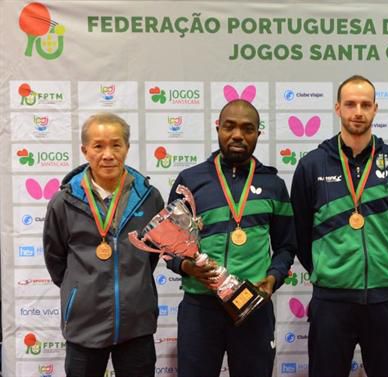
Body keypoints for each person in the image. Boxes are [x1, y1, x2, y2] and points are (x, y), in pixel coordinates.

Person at [291, 75, 388, 377]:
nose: (357, 111)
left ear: (375, 109)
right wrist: (330, 271)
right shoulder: (312, 165)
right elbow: (300, 233)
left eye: (365, 104)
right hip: (331, 300)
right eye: (350, 104)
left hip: (385, 298)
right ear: (337, 108)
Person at [165, 99, 296, 377]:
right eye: (230, 126)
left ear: (258, 135)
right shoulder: (190, 180)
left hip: (252, 306)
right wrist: (186, 267)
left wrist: (273, 278)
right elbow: (168, 245)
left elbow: (286, 245)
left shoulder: (273, 185)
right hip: (200, 307)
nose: (238, 134)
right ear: (218, 129)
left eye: (247, 128)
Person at [43, 113, 165, 377]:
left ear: (127, 148)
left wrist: (134, 287)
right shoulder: (63, 202)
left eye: (116, 145)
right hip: (84, 324)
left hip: (137, 325)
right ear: (85, 150)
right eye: (98, 146)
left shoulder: (149, 198)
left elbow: (151, 256)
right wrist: (79, 290)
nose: (108, 154)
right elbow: (56, 259)